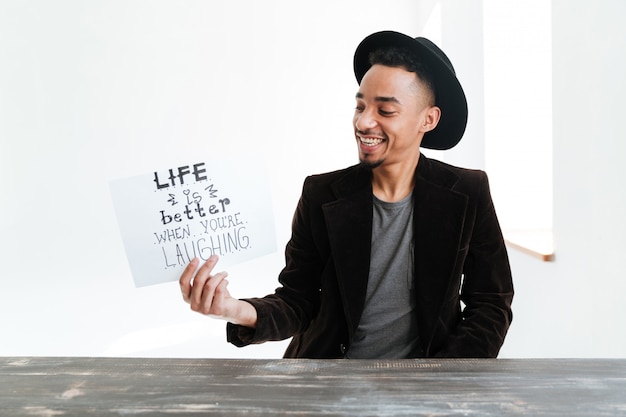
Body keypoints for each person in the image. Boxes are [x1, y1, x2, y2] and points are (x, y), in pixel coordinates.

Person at [179, 30, 514, 358]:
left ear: (428, 119)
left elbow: (491, 304)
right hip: (326, 379)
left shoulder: (468, 193)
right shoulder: (321, 194)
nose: (365, 122)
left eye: (385, 111)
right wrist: (235, 309)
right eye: (360, 107)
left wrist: (440, 382)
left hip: (426, 388)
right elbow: (298, 301)